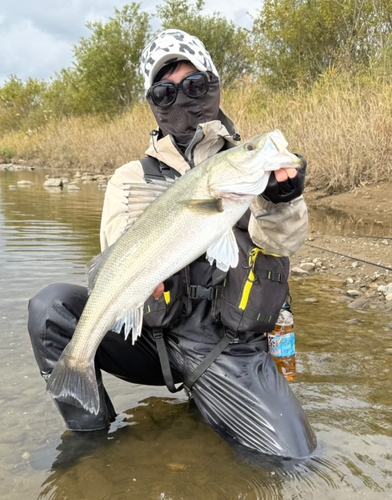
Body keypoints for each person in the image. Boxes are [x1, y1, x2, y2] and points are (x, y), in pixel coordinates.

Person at [28, 29, 317, 458]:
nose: (182, 98)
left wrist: (281, 201)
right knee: (50, 307)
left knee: (295, 458)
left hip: (229, 348)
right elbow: (115, 247)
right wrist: (142, 284)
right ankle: (91, 447)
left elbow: (285, 242)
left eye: (195, 84)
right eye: (165, 91)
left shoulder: (244, 168)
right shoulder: (130, 178)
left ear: (214, 84)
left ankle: (216, 397)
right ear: (153, 102)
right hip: (155, 339)